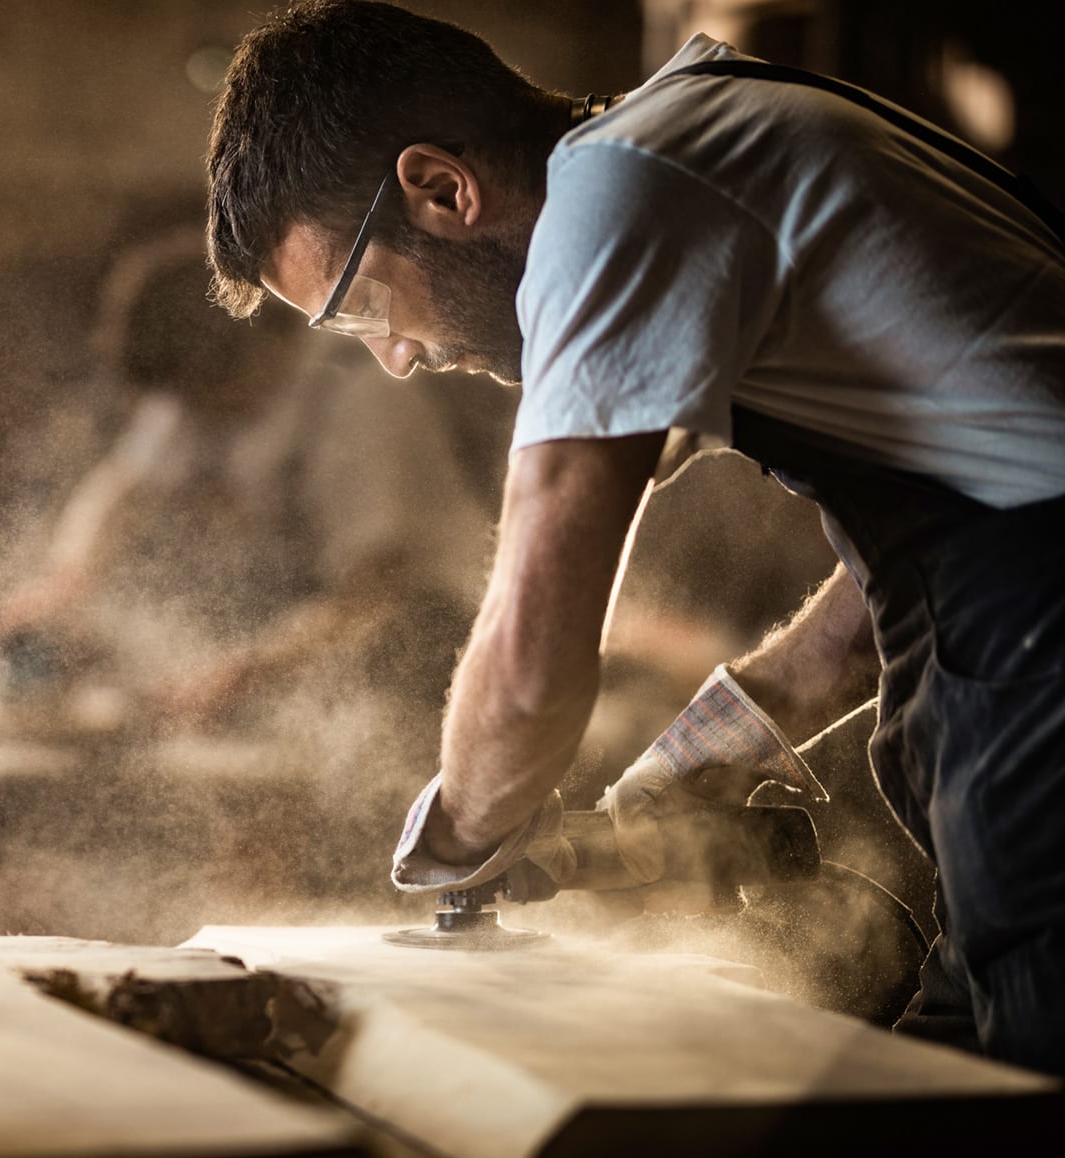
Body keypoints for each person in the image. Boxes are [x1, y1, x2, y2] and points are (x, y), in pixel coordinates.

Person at [205, 1, 1065, 1071]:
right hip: (1024, 627)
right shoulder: (693, 138)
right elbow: (939, 548)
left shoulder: (615, 192)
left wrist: (461, 840)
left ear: (442, 189)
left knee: (1014, 1130)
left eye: (359, 305)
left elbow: (529, 670)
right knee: (965, 1084)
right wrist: (723, 740)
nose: (395, 357)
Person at [0, 228, 501, 787]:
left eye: (207, 400)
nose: (192, 419)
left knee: (358, 776)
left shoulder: (360, 397)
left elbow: (376, 594)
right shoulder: (202, 388)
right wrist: (68, 581)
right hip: (309, 632)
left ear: (262, 349)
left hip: (433, 642)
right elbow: (122, 493)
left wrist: (245, 673)